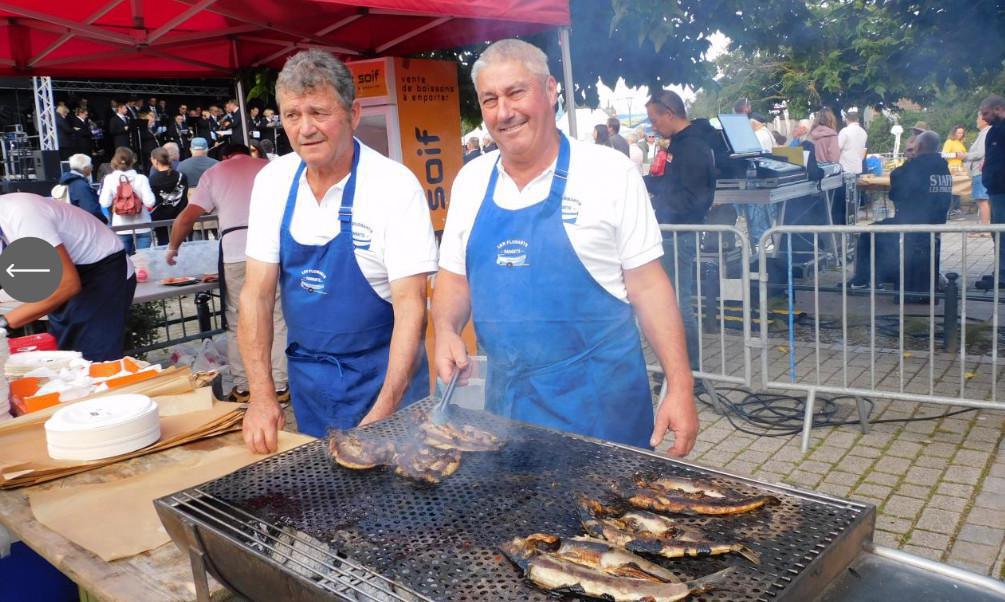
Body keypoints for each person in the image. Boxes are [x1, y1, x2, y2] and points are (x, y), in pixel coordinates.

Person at [433, 39, 698, 455]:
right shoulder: (470, 181)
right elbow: (453, 277)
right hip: (507, 415)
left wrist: (680, 387)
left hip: (602, 413)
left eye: (516, 92)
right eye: (490, 99)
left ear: (551, 90)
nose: (504, 112)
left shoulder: (608, 172)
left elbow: (649, 288)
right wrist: (445, 330)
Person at [240, 49, 437, 451]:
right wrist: (262, 397)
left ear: (354, 113)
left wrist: (383, 415)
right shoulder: (273, 182)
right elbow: (255, 295)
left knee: (397, 501)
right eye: (293, 115)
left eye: (319, 112)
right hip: (310, 381)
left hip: (383, 380)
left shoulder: (393, 187)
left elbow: (412, 307)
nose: (306, 128)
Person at [166, 143, 288, 403]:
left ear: (224, 157)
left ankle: (244, 387)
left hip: (234, 252)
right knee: (277, 317)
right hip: (271, 249)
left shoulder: (215, 172)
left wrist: (173, 247)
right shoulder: (269, 168)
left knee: (238, 320)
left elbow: (187, 217)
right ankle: (280, 385)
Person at [0, 193, 136, 361]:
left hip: (103, 272)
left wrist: (5, 322)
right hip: (64, 275)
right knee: (67, 358)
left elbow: (68, 284)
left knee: (94, 362)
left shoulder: (21, 214)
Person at [644, 88, 716, 373]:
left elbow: (695, 197)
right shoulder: (678, 144)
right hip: (670, 229)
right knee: (670, 302)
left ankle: (689, 370)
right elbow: (670, 184)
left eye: (654, 119)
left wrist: (659, 205)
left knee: (677, 303)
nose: (653, 125)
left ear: (669, 114)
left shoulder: (692, 146)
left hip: (679, 232)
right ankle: (680, 369)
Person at [848, 131, 952, 293]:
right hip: (935, 223)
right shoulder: (943, 166)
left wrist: (909, 162)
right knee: (882, 233)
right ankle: (885, 275)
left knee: (868, 234)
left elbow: (896, 193)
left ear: (919, 146)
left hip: (913, 224)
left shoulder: (917, 167)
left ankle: (864, 279)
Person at [98, 146, 156, 254]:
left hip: (121, 226)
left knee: (125, 262)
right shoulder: (141, 178)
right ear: (132, 161)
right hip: (142, 224)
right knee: (143, 262)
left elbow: (104, 202)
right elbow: (150, 202)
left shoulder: (109, 179)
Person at [979, 95, 1005, 289]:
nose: (984, 117)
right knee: (997, 232)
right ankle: (1001, 271)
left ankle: (1003, 275)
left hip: (1002, 189)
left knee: (1002, 232)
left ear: (998, 109)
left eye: (986, 113)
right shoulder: (993, 131)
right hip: (995, 189)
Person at [148, 147, 189, 246]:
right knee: (183, 245)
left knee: (163, 246)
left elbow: (152, 201)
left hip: (161, 220)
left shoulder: (152, 179)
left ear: (155, 160)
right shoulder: (182, 176)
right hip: (181, 216)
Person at [58, 153, 105, 224]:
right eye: (90, 165)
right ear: (85, 168)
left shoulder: (68, 181)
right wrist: (103, 221)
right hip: (86, 224)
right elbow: (91, 209)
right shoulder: (81, 186)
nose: (92, 167)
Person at [965, 111, 991, 229]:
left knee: (982, 201)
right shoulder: (983, 133)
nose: (976, 120)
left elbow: (980, 153)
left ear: (984, 119)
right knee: (982, 201)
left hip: (979, 171)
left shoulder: (986, 133)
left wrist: (965, 156)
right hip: (978, 171)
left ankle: (985, 229)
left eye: (978, 117)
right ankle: (983, 227)